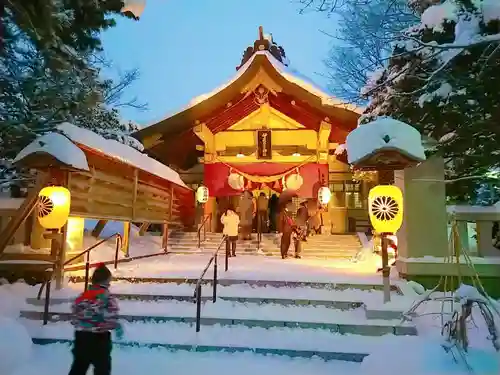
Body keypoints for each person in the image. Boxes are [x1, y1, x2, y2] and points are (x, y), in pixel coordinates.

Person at [68, 263, 123, 375]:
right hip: (100, 339)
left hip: (82, 338)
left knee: (79, 367)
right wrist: (116, 326)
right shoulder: (107, 297)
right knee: (102, 369)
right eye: (109, 282)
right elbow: (111, 317)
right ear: (106, 281)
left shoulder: (83, 296)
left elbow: (74, 317)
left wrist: (85, 324)